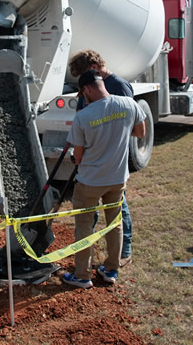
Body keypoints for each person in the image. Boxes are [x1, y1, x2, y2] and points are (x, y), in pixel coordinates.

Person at [62, 69, 146, 288]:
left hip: (90, 180)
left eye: (83, 93)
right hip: (117, 178)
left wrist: (77, 157)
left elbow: (78, 156)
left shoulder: (83, 116)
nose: (83, 97)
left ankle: (82, 275)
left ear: (87, 89)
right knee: (115, 223)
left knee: (84, 226)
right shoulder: (128, 104)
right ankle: (111, 270)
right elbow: (140, 133)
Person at [68, 49, 135, 267]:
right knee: (91, 213)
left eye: (85, 76)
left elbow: (130, 126)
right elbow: (82, 115)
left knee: (118, 211)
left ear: (95, 69)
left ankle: (123, 253)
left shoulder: (120, 87)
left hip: (111, 164)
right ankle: (91, 255)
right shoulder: (87, 92)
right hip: (91, 163)